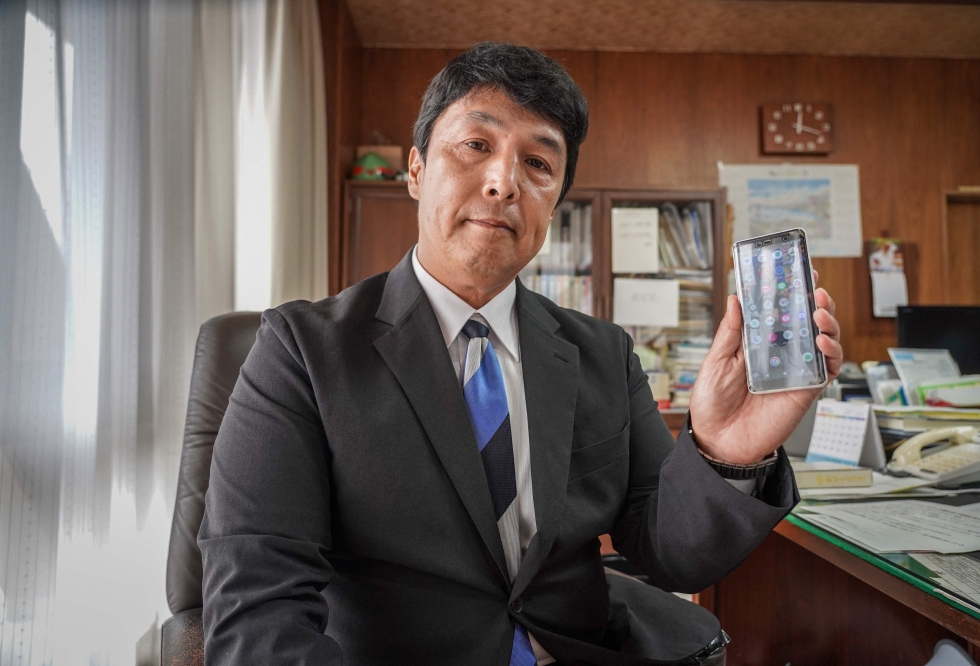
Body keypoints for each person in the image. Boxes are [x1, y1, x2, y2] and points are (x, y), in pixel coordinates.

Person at [199, 42, 843, 665]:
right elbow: (260, 609)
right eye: (476, 146)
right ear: (417, 170)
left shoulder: (604, 354)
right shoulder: (303, 351)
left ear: (555, 202)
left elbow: (668, 554)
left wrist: (726, 453)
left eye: (538, 164)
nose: (504, 182)